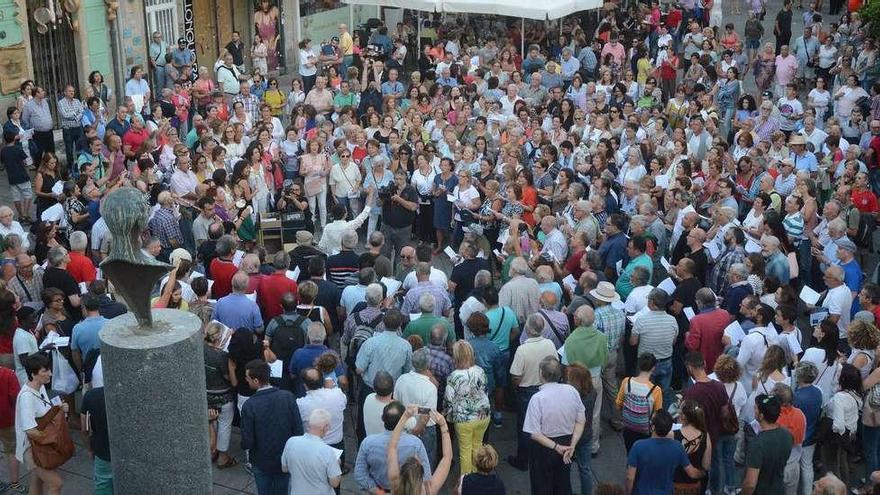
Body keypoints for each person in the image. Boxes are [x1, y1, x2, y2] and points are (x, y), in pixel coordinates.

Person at [522, 356, 586, 495]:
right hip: (567, 443)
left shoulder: (537, 399)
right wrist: (572, 445)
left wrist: (556, 447)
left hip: (543, 448)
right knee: (563, 484)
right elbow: (581, 421)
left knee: (541, 486)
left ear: (541, 374)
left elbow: (534, 433)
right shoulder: (572, 391)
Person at [240, 359, 303, 495]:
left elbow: (247, 442)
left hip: (261, 461)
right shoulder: (288, 397)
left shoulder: (250, 405)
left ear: (256, 381)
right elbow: (298, 430)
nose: (246, 380)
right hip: (284, 459)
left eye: (247, 377)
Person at [15, 353, 66, 495]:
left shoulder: (40, 386)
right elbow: (30, 430)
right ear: (33, 374)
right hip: (33, 448)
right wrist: (52, 439)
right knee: (56, 484)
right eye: (45, 370)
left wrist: (58, 408)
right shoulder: (26, 398)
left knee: (37, 480)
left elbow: (43, 413)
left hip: (37, 445)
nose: (50, 373)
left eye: (49, 369)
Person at [355, 401, 432, 493]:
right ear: (405, 420)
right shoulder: (415, 444)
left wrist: (377, 491)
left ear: (383, 419)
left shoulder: (368, 443)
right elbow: (426, 475)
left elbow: (360, 474)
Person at [625, 410, 705, 494]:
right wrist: (703, 473)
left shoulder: (638, 446)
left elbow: (630, 477)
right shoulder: (677, 447)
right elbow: (692, 473)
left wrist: (628, 492)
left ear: (653, 427)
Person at [445, 340, 490, 475]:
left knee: (465, 450)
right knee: (477, 447)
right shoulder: (480, 371)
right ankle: (477, 475)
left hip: (464, 419)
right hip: (483, 416)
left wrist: (446, 415)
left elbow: (449, 399)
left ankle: (466, 482)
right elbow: (486, 391)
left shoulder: (454, 376)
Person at [386, 405, 452, 495]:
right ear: (421, 477)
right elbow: (447, 458)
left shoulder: (395, 485)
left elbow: (392, 446)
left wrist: (405, 416)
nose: (417, 456)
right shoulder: (429, 490)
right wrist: (443, 425)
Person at [280, 408, 342, 494]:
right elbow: (334, 483)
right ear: (324, 428)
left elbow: (284, 468)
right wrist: (337, 464)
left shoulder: (291, 442)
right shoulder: (327, 451)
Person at [741, 394, 794, 495]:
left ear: (761, 415)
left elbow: (750, 484)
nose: (754, 410)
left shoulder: (757, 444)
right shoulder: (787, 435)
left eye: (756, 408)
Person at [80, 383, 112, 494]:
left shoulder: (90, 396)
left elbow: (84, 429)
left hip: (102, 452)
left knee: (103, 485)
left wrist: (89, 448)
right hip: (128, 455)